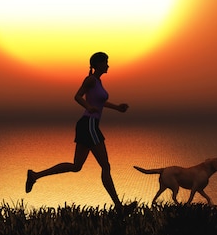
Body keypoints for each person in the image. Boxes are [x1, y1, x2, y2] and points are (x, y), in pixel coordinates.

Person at [25, 51, 137, 214]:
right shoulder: (91, 79)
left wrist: (118, 108)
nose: (108, 65)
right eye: (105, 62)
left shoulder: (97, 81)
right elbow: (77, 96)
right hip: (89, 124)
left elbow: (100, 102)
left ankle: (34, 176)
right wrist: (87, 107)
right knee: (105, 165)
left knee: (77, 166)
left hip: (88, 125)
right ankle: (119, 207)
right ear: (97, 64)